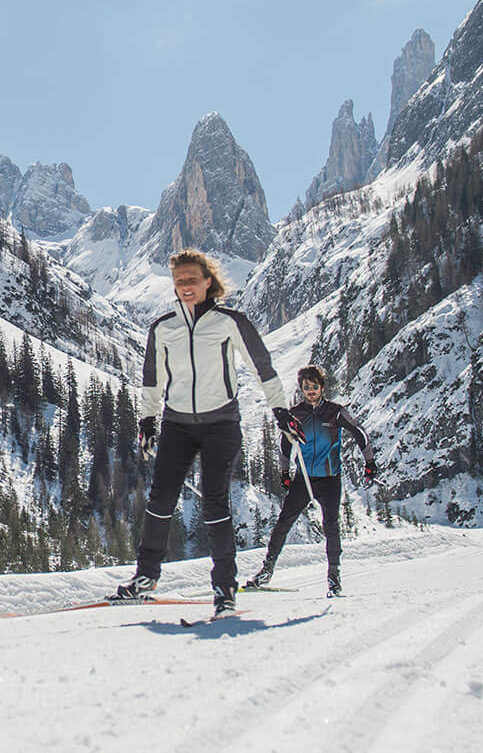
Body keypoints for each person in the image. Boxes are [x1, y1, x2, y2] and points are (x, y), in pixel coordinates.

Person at [111, 249, 292, 619]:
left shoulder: (230, 322)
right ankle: (145, 579)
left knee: (214, 503)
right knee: (160, 500)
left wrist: (280, 409)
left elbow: (262, 365)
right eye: (179, 281)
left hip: (221, 424)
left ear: (208, 281)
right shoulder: (163, 327)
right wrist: (148, 419)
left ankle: (225, 589)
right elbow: (152, 378)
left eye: (192, 280)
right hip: (177, 424)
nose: (185, 287)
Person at [243, 366, 374, 597]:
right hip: (304, 479)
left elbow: (360, 433)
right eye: (306, 387)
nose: (310, 391)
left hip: (330, 479)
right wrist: (284, 473)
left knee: (331, 527)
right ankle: (266, 570)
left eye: (314, 387)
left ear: (322, 387)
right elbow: (285, 446)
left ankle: (334, 577)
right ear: (302, 389)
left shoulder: (336, 412)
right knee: (284, 522)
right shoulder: (295, 415)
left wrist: (369, 462)